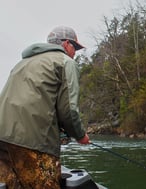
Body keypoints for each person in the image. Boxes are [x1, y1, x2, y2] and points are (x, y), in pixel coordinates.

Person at [0, 26, 90, 189]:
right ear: (66, 44)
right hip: (34, 140)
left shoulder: (22, 63)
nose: (75, 52)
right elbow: (68, 110)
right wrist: (80, 135)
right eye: (75, 47)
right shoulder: (66, 62)